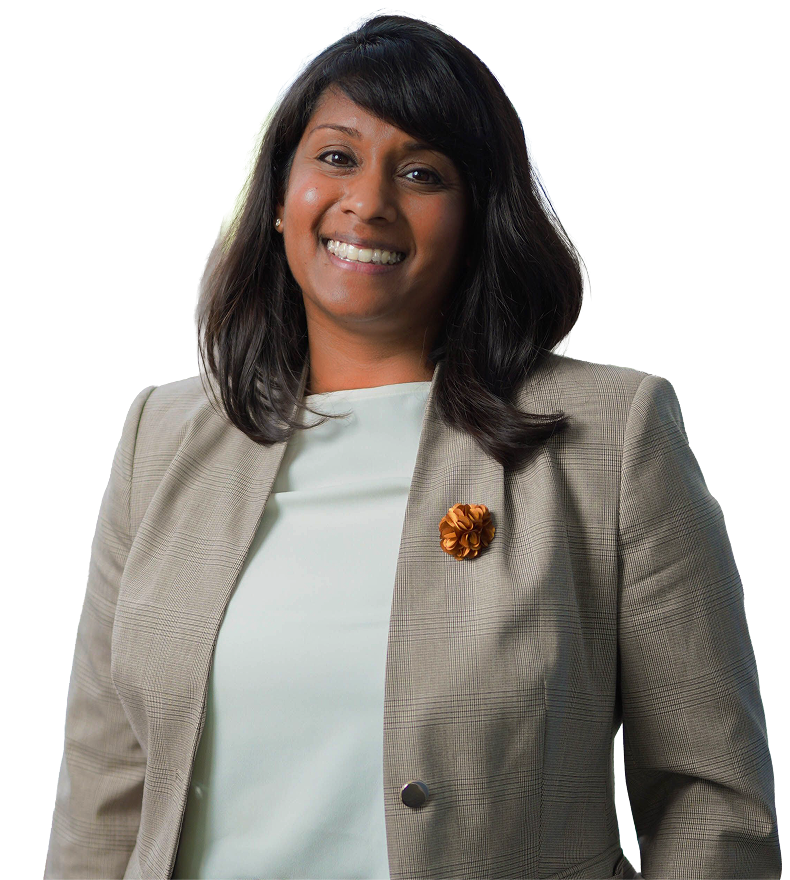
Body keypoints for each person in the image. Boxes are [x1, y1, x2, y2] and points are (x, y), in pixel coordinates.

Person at [45, 10, 780, 880]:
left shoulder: (610, 435)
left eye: (423, 172)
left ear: (477, 218)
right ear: (279, 199)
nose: (369, 200)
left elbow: (710, 795)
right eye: (335, 156)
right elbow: (104, 793)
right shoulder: (160, 437)